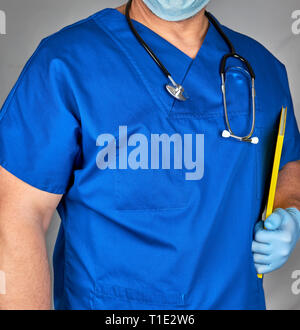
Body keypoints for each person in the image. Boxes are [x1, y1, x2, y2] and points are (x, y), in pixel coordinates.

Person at [0, 0, 299, 310]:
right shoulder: (66, 63)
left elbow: (288, 160)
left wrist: (291, 210)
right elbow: (16, 214)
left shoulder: (261, 68)